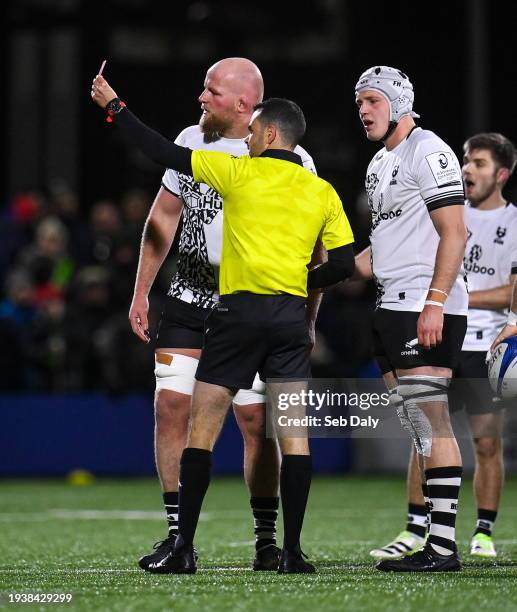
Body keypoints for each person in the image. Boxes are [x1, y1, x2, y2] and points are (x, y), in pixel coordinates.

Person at [91, 78, 355, 573]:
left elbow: (153, 148)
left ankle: (199, 545)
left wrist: (115, 106)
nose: (249, 136)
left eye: (256, 130)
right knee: (282, 432)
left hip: (236, 314)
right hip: (264, 313)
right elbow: (341, 262)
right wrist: (302, 291)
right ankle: (286, 552)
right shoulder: (319, 187)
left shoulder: (238, 172)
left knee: (211, 425)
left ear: (264, 127)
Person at [370, 133, 517, 560]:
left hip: (485, 344)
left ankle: (483, 532)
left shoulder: (512, 222)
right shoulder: (442, 207)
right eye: (466, 160)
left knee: (487, 442)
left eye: (480, 163)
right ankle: (417, 529)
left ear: (501, 174)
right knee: (423, 432)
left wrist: (453, 289)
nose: (468, 169)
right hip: (444, 329)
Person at [353, 66, 468, 572]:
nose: (363, 110)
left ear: (400, 104)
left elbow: (455, 232)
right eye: (359, 102)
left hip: (423, 303)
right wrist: (306, 274)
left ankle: (443, 549)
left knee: (431, 421)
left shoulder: (429, 150)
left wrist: (436, 301)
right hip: (390, 305)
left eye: (373, 101)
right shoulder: (380, 162)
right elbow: (376, 251)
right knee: (417, 427)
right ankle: (432, 541)